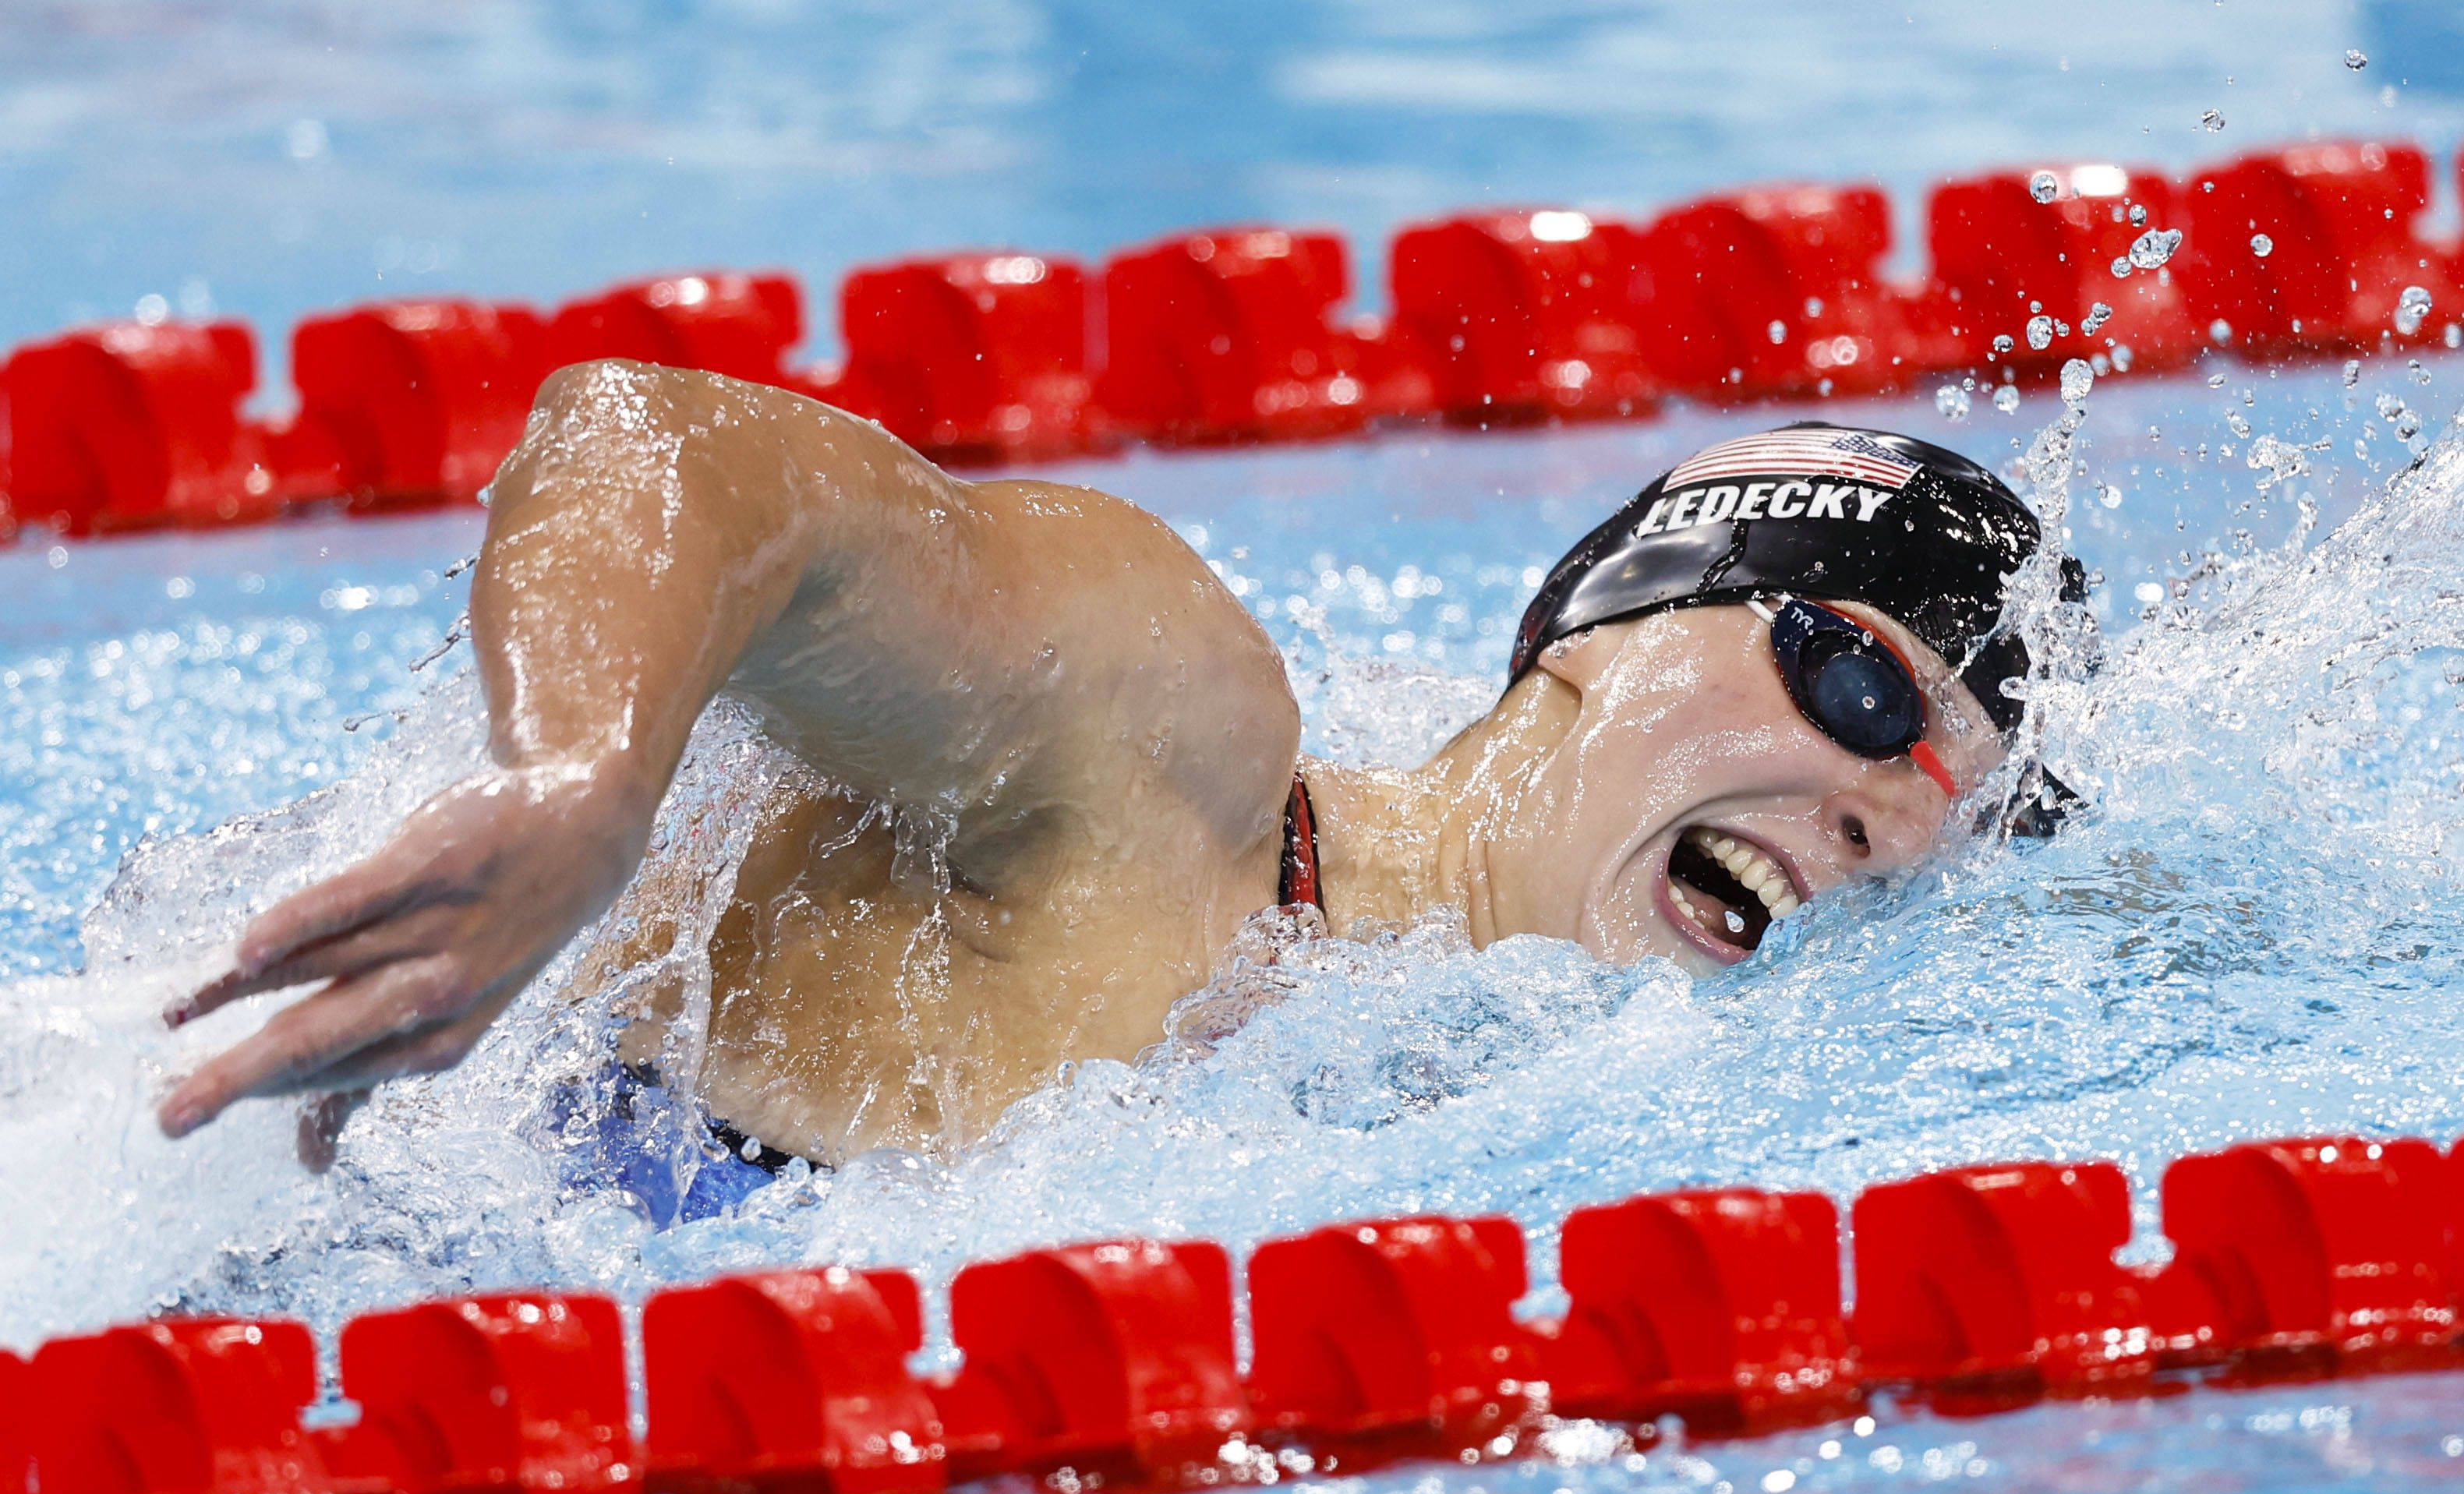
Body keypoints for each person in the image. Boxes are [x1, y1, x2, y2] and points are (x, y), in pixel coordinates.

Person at [154, 362, 2078, 1171]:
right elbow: (666, 440)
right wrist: (576, 782)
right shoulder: (1178, 752)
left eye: (1952, 818)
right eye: (1857, 691)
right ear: (1602, 634)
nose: (1887, 813)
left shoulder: (1459, 1108)